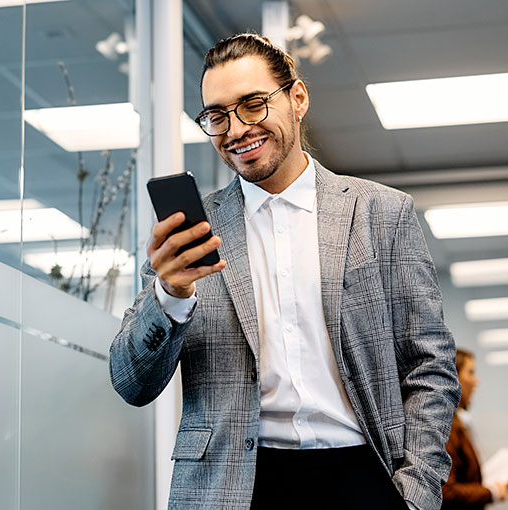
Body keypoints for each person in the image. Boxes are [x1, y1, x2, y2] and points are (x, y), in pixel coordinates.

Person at [109, 33, 461, 510]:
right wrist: (170, 294)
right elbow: (132, 382)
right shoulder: (188, 235)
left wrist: (417, 490)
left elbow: (430, 365)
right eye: (217, 116)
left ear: (297, 98)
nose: (235, 130)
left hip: (364, 475)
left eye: (253, 104)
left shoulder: (381, 213)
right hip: (232, 487)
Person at [442, 349, 508, 509]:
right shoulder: (447, 426)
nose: (476, 381)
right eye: (470, 372)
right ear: (454, 377)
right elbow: (446, 490)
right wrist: (490, 492)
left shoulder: (457, 422)